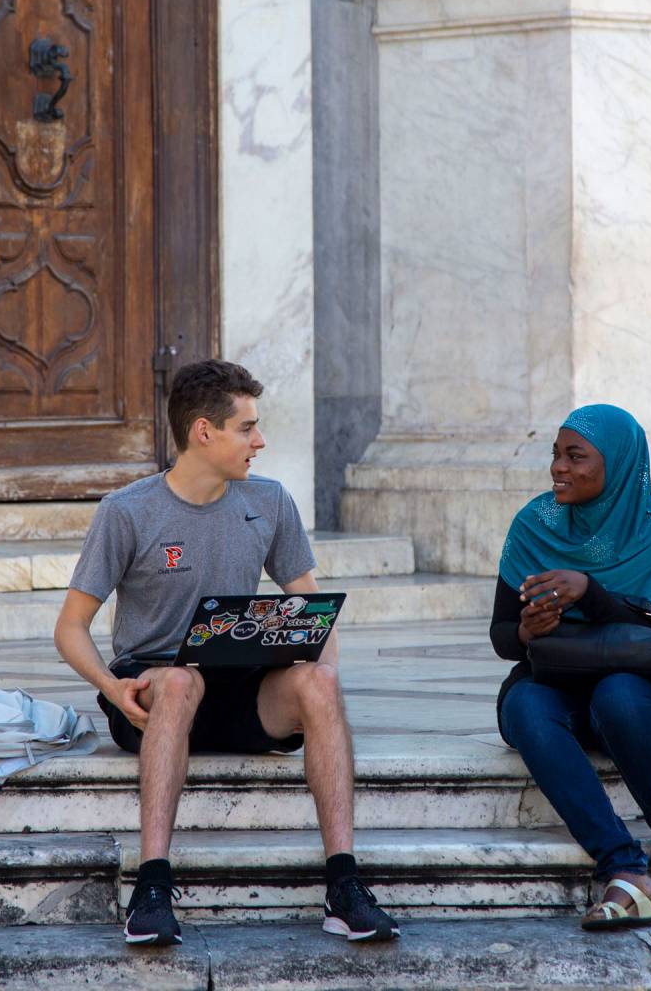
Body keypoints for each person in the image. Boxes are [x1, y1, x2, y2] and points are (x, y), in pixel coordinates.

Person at [53, 359, 400, 946]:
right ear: (203, 432)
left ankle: (344, 886)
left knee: (319, 682)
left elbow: (315, 613)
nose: (260, 441)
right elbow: (70, 628)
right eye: (247, 428)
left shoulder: (269, 502)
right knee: (181, 681)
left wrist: (324, 682)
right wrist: (113, 690)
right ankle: (152, 888)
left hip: (240, 689)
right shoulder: (128, 510)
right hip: (154, 690)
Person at [489, 404, 651, 929]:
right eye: (555, 454)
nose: (558, 468)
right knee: (524, 704)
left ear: (617, 464)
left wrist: (590, 592)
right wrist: (528, 630)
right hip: (556, 680)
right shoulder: (534, 524)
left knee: (617, 696)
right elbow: (503, 636)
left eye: (576, 456)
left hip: (639, 688)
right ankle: (626, 869)